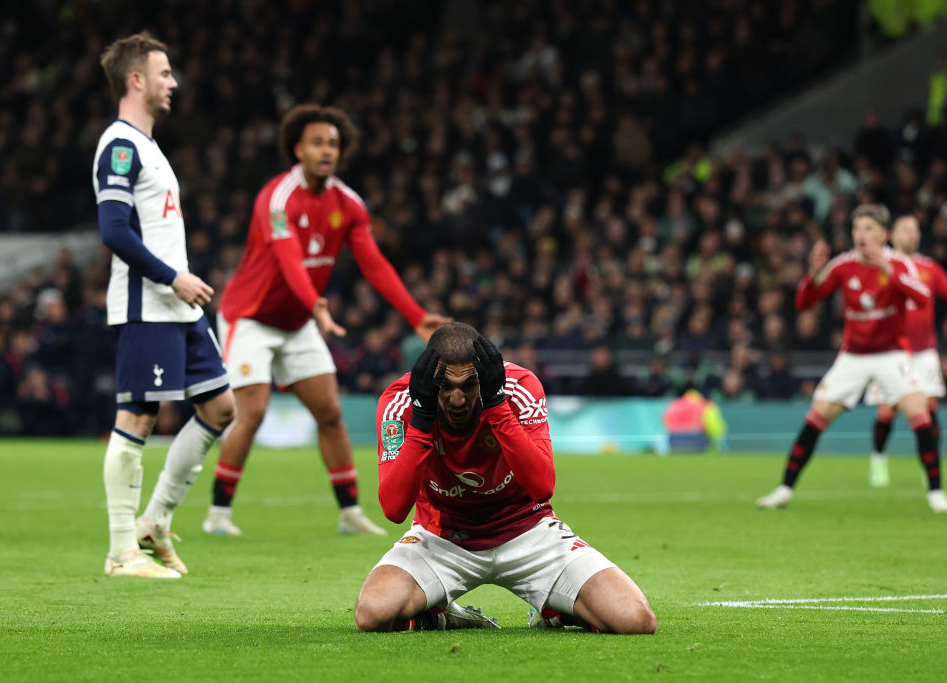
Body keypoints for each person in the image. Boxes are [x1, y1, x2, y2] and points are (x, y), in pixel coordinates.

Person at [204, 104, 450, 537]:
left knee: (330, 411)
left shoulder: (348, 203)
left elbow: (374, 264)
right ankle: (218, 514)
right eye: (317, 142)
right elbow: (289, 260)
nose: (326, 150)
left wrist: (416, 316)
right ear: (297, 148)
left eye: (333, 144)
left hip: (297, 320)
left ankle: (350, 512)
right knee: (253, 410)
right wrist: (316, 303)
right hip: (250, 317)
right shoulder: (277, 198)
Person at [355, 323, 656, 633]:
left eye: (470, 385)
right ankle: (439, 615)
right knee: (373, 614)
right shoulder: (402, 401)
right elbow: (393, 509)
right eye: (446, 386)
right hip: (443, 538)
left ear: (483, 377)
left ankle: (557, 611)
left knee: (635, 620)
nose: (458, 400)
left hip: (528, 531)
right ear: (429, 379)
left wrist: (497, 405)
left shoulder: (518, 387)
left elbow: (542, 488)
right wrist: (422, 416)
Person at [93, 33, 235, 578]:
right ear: (136, 79)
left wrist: (180, 284)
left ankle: (155, 522)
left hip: (179, 307)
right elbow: (114, 230)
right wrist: (174, 277)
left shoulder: (150, 148)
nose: (173, 82)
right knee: (138, 417)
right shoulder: (120, 145)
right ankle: (122, 551)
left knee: (222, 408)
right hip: (149, 303)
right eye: (165, 73)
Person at [757, 204, 947, 514]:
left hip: (892, 354)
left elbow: (922, 297)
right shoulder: (843, 265)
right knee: (817, 416)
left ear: (884, 234)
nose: (861, 235)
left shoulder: (900, 263)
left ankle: (936, 493)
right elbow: (803, 302)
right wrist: (812, 273)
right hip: (853, 356)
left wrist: (891, 272)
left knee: (920, 413)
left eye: (868, 229)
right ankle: (784, 489)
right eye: (857, 229)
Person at [864, 215, 947, 487]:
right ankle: (878, 460)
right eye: (906, 229)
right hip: (891, 350)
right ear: (892, 235)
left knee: (928, 409)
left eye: (915, 230)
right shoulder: (882, 266)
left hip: (924, 351)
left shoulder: (929, 268)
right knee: (887, 409)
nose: (912, 234)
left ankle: (931, 468)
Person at [662, 383, 728, 453]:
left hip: (675, 447)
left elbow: (666, 425)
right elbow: (717, 430)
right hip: (699, 447)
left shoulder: (673, 405)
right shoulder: (706, 406)